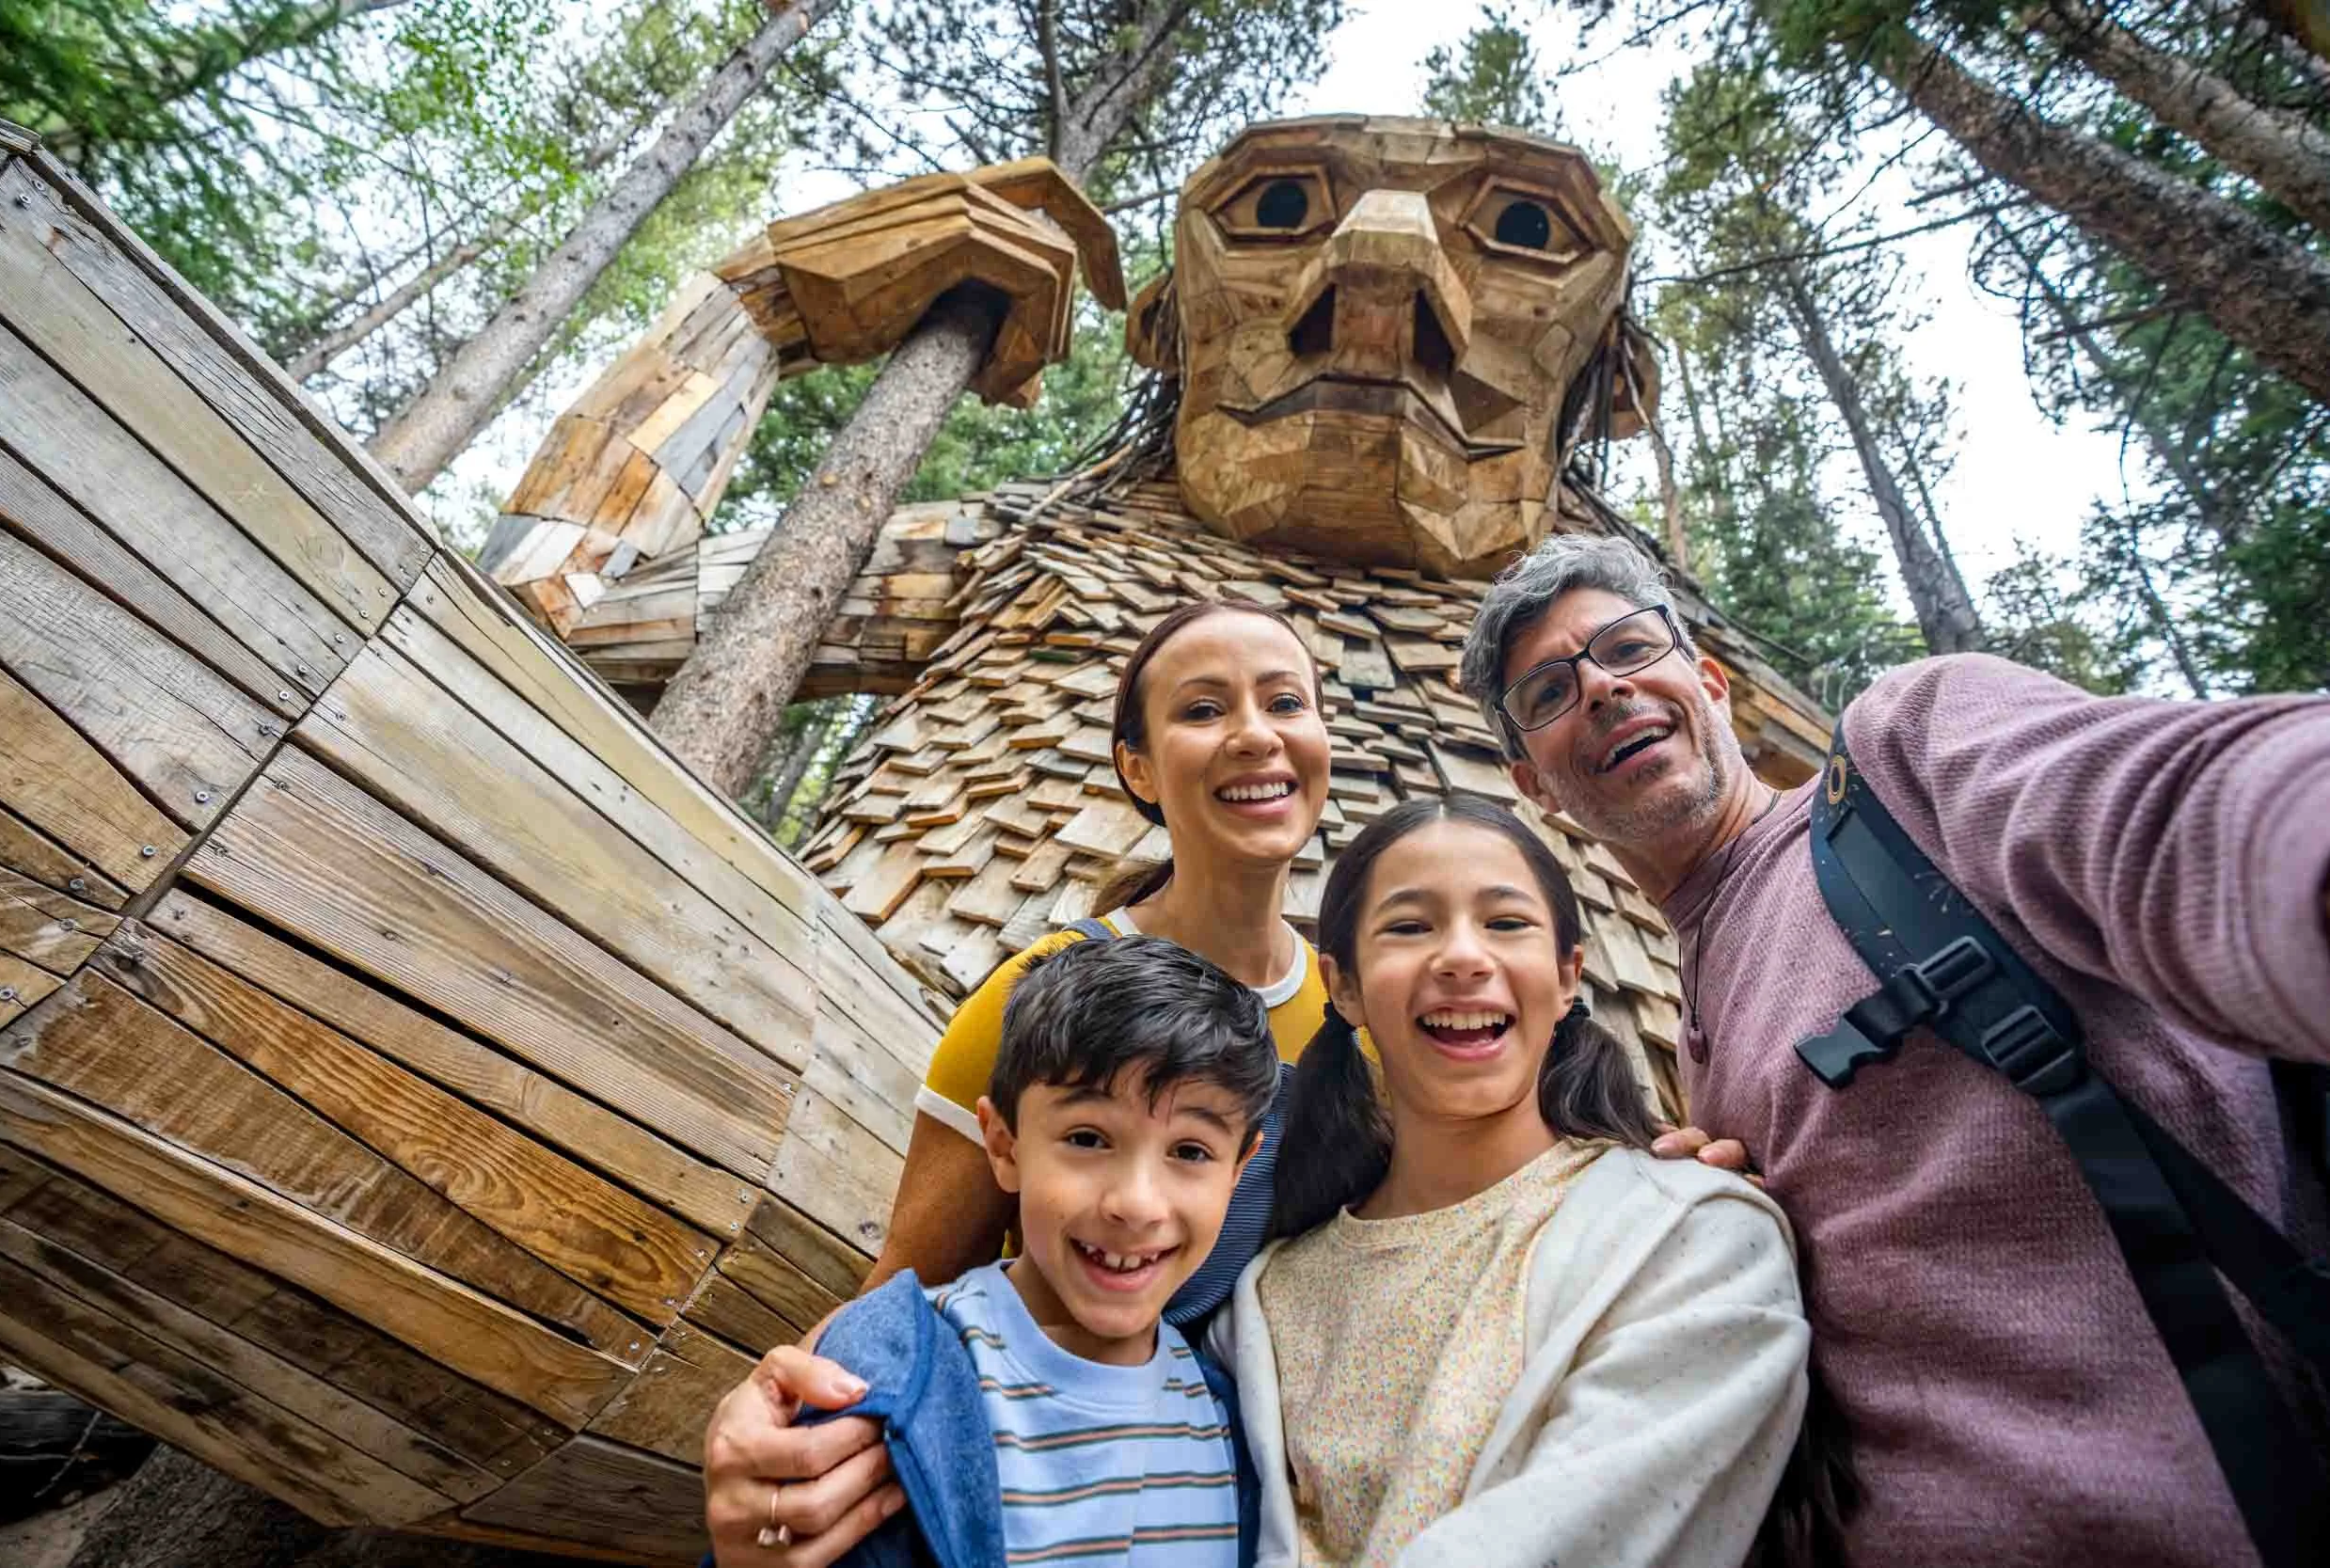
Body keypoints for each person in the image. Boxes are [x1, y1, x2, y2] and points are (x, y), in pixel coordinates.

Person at [703, 598, 1750, 1567]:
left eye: (1285, 702)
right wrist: (774, 1422)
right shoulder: (1042, 993)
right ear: (1138, 765)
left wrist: (1664, 1169)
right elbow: (902, 1290)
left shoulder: (1372, 1028)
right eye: (1204, 710)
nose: (1255, 735)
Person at [1458, 531, 2330, 1567]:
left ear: (1710, 682)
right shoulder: (1698, 1028)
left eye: (1627, 647)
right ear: (1535, 785)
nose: (1602, 687)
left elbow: (2174, 808)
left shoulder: (1906, 756)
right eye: (1550, 691)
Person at [1208, 794, 1808, 1568]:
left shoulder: (1691, 1238)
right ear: (1344, 987)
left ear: (1566, 977)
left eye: (1505, 922)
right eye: (1409, 926)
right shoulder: (1266, 1300)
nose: (1462, 956)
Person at [794, 935, 1276, 1567]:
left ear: (1239, 1169)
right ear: (1004, 1145)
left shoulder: (1231, 1426)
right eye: (1087, 1138)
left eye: (1190, 1151)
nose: (1136, 1204)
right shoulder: (893, 1371)